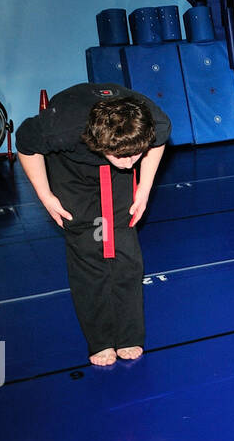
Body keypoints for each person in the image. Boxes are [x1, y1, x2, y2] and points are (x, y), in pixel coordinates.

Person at [16, 85, 170, 366]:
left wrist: (144, 189)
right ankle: (100, 340)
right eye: (123, 157)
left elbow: (155, 144)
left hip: (116, 149)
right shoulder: (60, 129)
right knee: (88, 246)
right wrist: (45, 195)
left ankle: (128, 335)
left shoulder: (153, 122)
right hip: (70, 168)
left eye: (135, 154)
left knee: (125, 248)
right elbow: (26, 144)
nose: (129, 163)